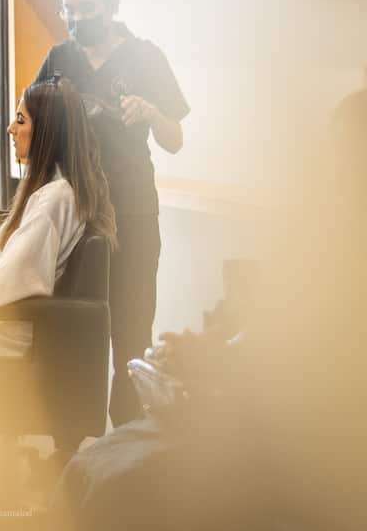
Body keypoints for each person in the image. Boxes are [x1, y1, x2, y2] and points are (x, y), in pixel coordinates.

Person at [46, 89, 367, 531]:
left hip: (307, 445)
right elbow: (267, 339)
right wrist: (208, 350)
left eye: (352, 162)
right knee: (97, 462)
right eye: (341, 160)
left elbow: (319, 379)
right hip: (255, 411)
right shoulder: (328, 251)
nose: (340, 177)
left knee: (122, 484)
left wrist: (224, 366)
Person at [33, 0, 190, 427]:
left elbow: (175, 139)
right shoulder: (59, 58)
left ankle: (125, 438)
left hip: (133, 213)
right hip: (75, 216)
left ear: (112, 7)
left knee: (131, 330)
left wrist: (152, 113)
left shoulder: (145, 57)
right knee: (74, 333)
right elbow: (32, 124)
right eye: (67, 10)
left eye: (87, 8)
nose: (76, 19)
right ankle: (73, 441)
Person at [0, 74, 116, 309]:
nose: (11, 128)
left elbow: (7, 281)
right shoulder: (59, 192)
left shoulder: (54, 199)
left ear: (46, 131)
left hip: (12, 324)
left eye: (21, 121)